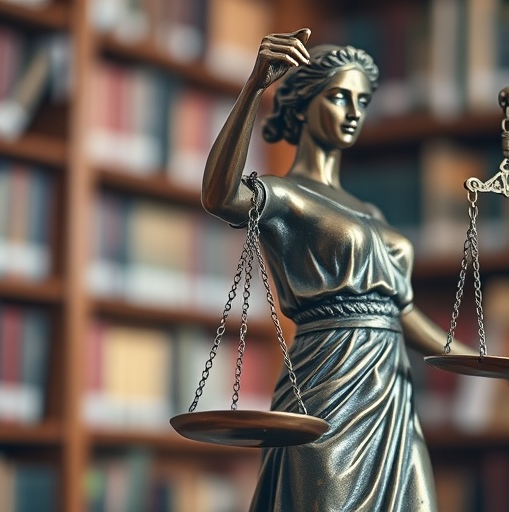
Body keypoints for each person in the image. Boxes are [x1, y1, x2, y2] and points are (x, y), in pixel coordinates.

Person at [201, 29, 468, 511]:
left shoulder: (371, 211)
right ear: (303, 104)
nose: (353, 112)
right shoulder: (285, 196)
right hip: (327, 385)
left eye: (362, 101)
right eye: (339, 97)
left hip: (391, 391)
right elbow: (220, 196)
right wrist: (254, 87)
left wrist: (477, 361)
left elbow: (400, 311)